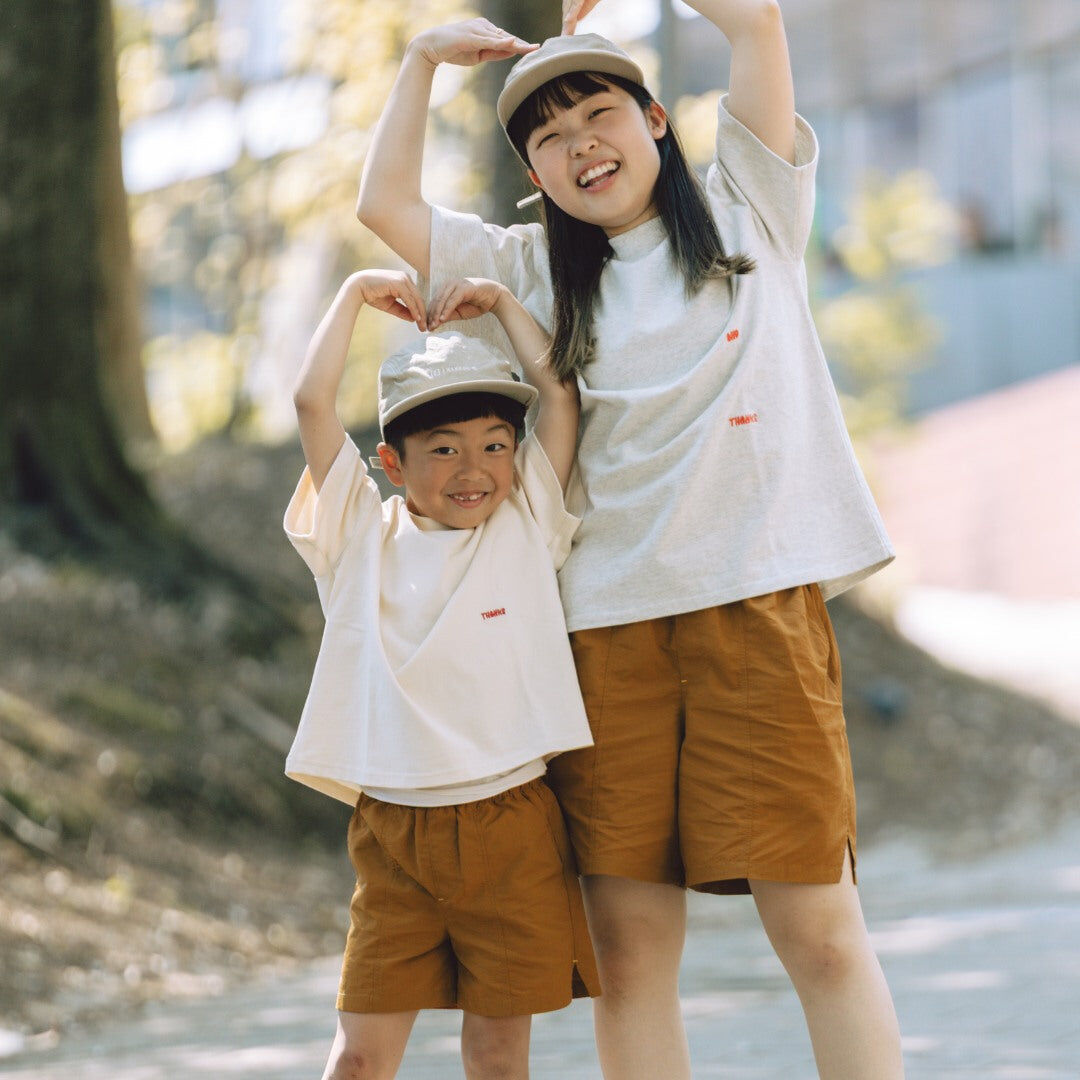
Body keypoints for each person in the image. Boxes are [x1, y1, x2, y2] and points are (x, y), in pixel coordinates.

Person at [356, 3, 906, 1078]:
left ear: (657, 119)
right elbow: (384, 204)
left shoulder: (755, 210)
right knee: (632, 958)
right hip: (600, 641)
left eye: (600, 113)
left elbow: (755, 24)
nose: (580, 145)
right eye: (549, 138)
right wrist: (422, 59)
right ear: (534, 174)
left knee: (823, 939)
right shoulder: (524, 271)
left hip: (758, 615)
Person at [284, 267, 599, 1080]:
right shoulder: (359, 537)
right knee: (359, 1055)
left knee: (497, 1055)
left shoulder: (527, 519)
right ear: (391, 461)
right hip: (396, 834)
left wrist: (498, 303)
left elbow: (557, 396)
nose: (474, 469)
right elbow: (312, 405)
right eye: (445, 450)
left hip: (513, 824)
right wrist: (353, 292)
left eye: (495, 445)